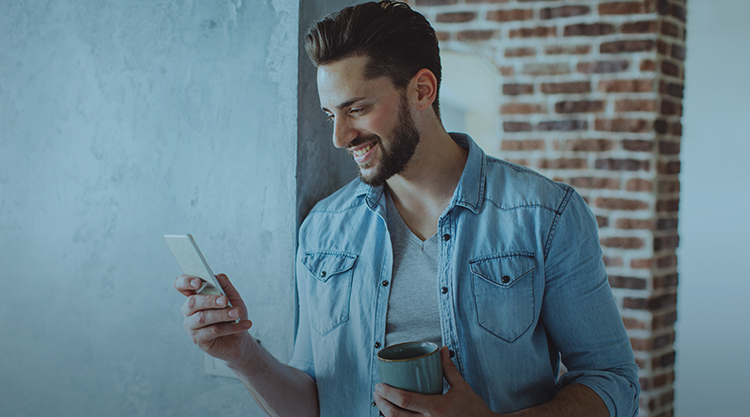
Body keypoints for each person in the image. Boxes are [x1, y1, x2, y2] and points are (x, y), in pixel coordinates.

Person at [173, 2, 640, 416]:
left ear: (421, 90)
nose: (340, 137)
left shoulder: (545, 215)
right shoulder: (323, 230)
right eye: (331, 115)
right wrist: (241, 355)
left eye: (356, 109)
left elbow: (612, 381)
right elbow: (318, 402)